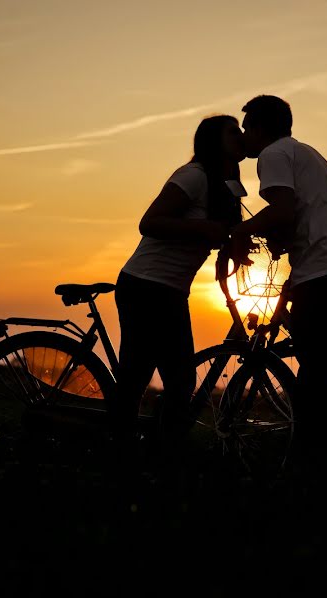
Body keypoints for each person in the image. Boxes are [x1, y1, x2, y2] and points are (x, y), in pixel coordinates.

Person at [229, 95, 327, 477]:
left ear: (263, 128)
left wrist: (241, 230)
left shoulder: (273, 155)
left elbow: (282, 209)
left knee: (315, 378)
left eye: (248, 127)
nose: (244, 136)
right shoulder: (305, 153)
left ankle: (310, 472)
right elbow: (299, 214)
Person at [111, 115, 246, 470]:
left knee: (165, 377)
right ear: (214, 141)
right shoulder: (195, 175)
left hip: (169, 290)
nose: (242, 136)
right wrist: (204, 229)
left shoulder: (225, 185)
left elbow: (221, 232)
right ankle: (143, 457)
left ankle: (145, 454)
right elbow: (150, 222)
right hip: (146, 285)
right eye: (234, 131)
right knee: (156, 377)